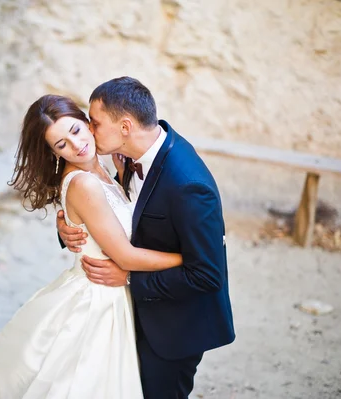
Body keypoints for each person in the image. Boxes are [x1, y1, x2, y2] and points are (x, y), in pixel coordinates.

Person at [0, 94, 184, 398]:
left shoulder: (105, 168)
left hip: (110, 293)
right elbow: (124, 254)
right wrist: (188, 259)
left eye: (75, 131)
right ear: (54, 153)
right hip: (99, 298)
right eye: (61, 145)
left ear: (87, 123)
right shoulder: (84, 183)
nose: (75, 145)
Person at [57, 76, 235, 398]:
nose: (89, 131)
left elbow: (207, 275)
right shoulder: (128, 156)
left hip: (175, 326)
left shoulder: (188, 186)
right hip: (133, 315)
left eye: (95, 123)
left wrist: (128, 278)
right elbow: (115, 211)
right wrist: (70, 226)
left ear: (125, 127)